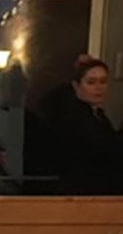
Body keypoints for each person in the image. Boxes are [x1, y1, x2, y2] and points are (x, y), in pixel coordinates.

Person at [40, 56, 123, 194]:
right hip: (82, 192)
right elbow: (105, 149)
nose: (98, 87)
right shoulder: (73, 117)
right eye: (91, 82)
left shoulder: (98, 115)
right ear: (77, 85)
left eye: (103, 81)